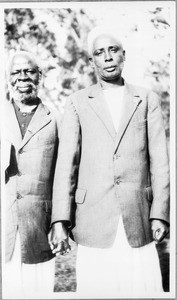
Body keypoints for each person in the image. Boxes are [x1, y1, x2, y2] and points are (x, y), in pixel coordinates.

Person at [50, 25, 170, 297]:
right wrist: (60, 220)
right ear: (92, 61)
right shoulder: (77, 102)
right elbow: (65, 165)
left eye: (113, 50)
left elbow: (160, 163)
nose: (107, 57)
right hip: (92, 219)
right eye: (99, 53)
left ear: (123, 56)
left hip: (138, 217)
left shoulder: (146, 99)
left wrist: (159, 213)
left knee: (142, 288)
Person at [2, 50, 63, 298]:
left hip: (39, 225)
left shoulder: (56, 120)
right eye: (16, 72)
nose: (22, 77)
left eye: (29, 71)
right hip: (4, 222)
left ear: (40, 75)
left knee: (39, 290)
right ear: (8, 78)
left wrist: (60, 223)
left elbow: (63, 178)